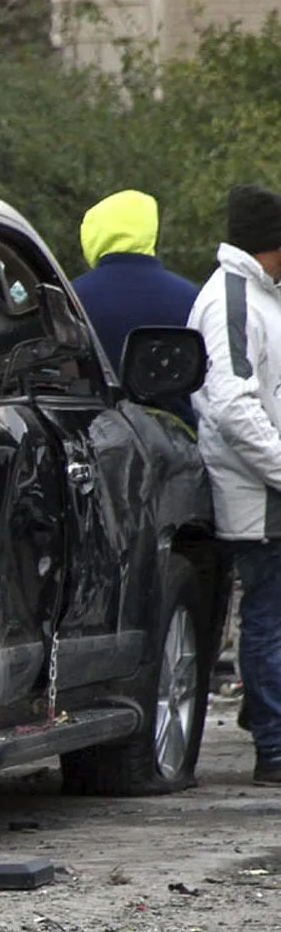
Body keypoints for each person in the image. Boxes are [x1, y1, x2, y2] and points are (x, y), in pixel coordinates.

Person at [191, 184, 281, 785]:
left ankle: (269, 727)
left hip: (267, 486)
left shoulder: (258, 296)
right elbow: (231, 406)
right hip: (260, 495)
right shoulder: (233, 300)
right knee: (269, 619)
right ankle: (274, 748)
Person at [72, 189, 198, 397]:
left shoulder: (71, 298)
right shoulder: (193, 298)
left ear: (91, 235)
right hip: (175, 427)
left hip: (88, 427)